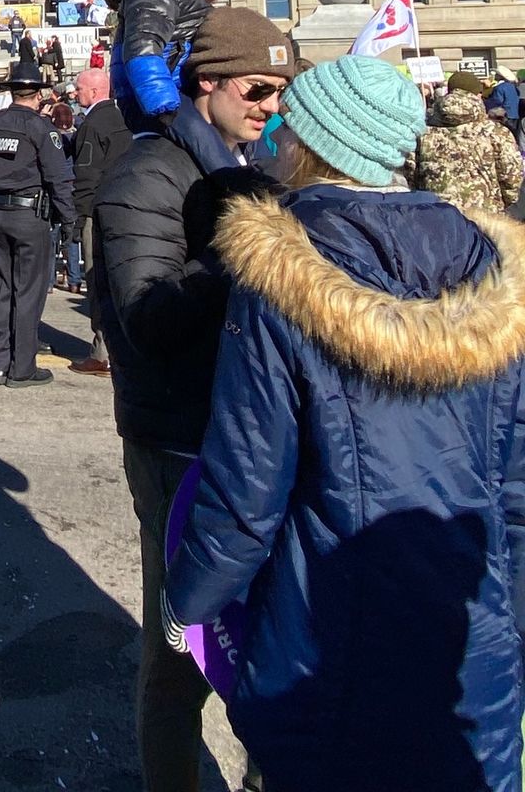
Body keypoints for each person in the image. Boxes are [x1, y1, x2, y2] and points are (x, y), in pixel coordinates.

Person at [164, 56, 525, 792]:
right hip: (469, 628)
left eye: (292, 121)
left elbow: (246, 486)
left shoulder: (279, 274)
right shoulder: (495, 270)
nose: (279, 133)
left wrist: (188, 601)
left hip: (326, 632)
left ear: (317, 141)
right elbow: (516, 487)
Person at [98, 5, 293, 792]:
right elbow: (148, 321)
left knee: (272, 639)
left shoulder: (257, 169)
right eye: (255, 88)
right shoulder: (143, 177)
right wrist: (246, 253)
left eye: (280, 91)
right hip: (178, 441)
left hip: (255, 435)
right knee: (180, 651)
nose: (268, 106)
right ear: (204, 82)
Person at [0, 58, 76, 387]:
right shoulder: (41, 128)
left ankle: (0, 365)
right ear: (38, 95)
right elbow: (58, 178)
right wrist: (67, 217)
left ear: (12, 92)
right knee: (28, 293)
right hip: (30, 216)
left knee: (1, 290)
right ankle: (22, 368)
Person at [103, 0, 236, 172]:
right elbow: (142, 49)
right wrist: (161, 100)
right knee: (205, 142)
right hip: (156, 99)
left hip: (172, 93)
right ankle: (233, 180)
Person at [68, 67, 131, 375]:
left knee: (97, 281)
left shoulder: (93, 124)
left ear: (93, 91)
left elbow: (86, 176)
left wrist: (78, 216)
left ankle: (101, 353)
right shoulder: (123, 119)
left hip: (97, 211)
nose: (74, 93)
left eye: (78, 89)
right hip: (125, 209)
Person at [411, 70, 522, 214]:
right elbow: (512, 177)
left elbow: (410, 177)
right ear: (477, 95)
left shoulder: (423, 133)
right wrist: (502, 204)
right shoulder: (495, 132)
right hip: (486, 218)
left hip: (436, 216)